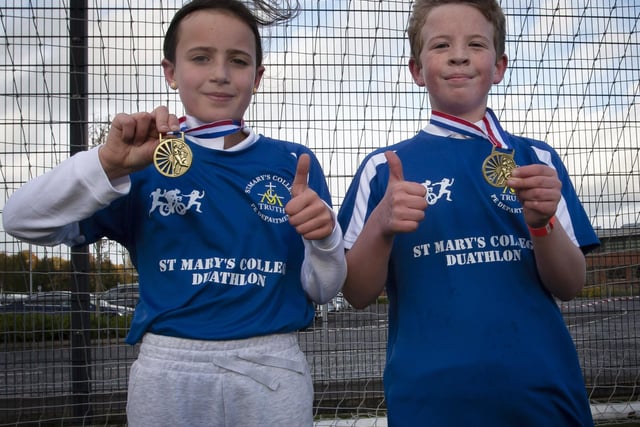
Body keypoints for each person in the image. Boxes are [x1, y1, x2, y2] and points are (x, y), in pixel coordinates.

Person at [3, 1, 346, 425]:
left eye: (237, 61)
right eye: (201, 57)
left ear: (257, 77)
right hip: (169, 369)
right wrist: (107, 165)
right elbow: (20, 220)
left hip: (271, 366)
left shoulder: (294, 163)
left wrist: (326, 239)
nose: (220, 74)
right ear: (170, 71)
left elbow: (322, 289)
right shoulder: (139, 163)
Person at [337, 0, 600, 425]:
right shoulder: (384, 170)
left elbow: (570, 284)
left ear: (499, 66)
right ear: (417, 70)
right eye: (441, 45)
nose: (459, 54)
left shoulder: (537, 161)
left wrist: (542, 223)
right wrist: (382, 226)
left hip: (544, 395)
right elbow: (356, 293)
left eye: (475, 44)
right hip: (431, 400)